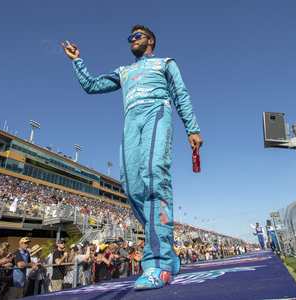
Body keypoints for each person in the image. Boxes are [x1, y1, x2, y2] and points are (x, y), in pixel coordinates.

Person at [63, 25, 203, 290]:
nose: (132, 40)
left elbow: (180, 94)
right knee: (130, 185)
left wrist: (192, 127)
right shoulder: (123, 71)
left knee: (153, 175)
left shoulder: (165, 63)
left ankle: (157, 265)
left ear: (150, 40)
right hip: (131, 121)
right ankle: (167, 250)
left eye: (137, 36)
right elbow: (92, 86)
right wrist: (77, 61)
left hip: (156, 112)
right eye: (129, 38)